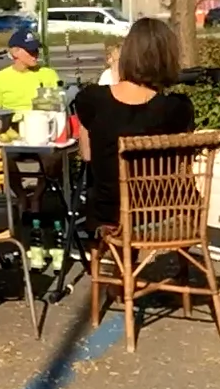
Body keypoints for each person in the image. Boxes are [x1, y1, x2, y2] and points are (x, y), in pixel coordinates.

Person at [74, 18, 195, 234]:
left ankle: (119, 262)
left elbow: (87, 155)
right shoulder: (178, 108)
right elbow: (183, 164)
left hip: (111, 214)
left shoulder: (92, 99)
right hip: (165, 210)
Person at [0, 29, 60, 112]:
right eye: (30, 51)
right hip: (13, 123)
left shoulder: (48, 74)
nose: (35, 54)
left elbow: (57, 108)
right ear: (15, 52)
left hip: (41, 121)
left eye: (36, 50)